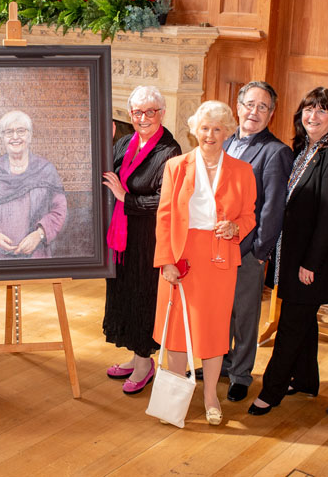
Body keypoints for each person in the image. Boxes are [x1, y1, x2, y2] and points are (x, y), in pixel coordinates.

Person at [248, 87, 328, 416]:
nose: (314, 116)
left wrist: (311, 263)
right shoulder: (303, 149)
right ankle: (306, 380)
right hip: (291, 255)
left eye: (322, 111)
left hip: (313, 261)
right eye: (309, 110)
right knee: (303, 320)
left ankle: (272, 389)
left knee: (292, 323)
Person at [153, 101, 256, 425]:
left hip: (219, 258)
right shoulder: (176, 166)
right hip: (181, 257)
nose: (210, 134)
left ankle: (211, 394)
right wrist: (166, 261)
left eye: (217, 129)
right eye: (204, 128)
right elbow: (166, 216)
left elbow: (248, 215)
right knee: (176, 332)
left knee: (213, 331)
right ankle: (175, 399)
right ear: (194, 130)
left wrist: (237, 228)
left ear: (227, 132)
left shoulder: (242, 170)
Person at [101, 86, 181, 393]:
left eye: (150, 111)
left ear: (161, 113)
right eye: (137, 112)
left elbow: (165, 202)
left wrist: (126, 197)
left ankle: (145, 362)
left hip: (149, 240)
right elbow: (108, 177)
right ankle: (135, 357)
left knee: (143, 297)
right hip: (122, 239)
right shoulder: (125, 142)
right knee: (124, 295)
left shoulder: (169, 152)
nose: (143, 118)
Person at [219, 81, 293, 403]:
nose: (254, 112)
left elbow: (273, 207)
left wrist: (260, 251)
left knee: (246, 316)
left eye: (263, 107)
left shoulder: (276, 152)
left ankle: (241, 374)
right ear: (238, 106)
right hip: (217, 246)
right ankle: (221, 362)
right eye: (250, 104)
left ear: (272, 114)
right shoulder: (223, 144)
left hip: (248, 250)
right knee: (221, 311)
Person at [0, 110, 67, 259]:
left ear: (30, 135)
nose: (15, 137)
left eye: (21, 131)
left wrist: (39, 234)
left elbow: (60, 209)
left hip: (36, 256)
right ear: (2, 137)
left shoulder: (46, 169)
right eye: (9, 132)